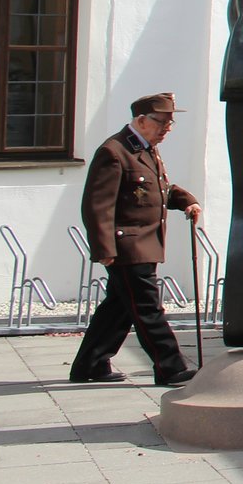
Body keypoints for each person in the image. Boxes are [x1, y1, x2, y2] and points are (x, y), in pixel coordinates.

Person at [69, 93, 203, 386]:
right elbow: (97, 205)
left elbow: (158, 189)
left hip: (143, 244)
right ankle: (170, 367)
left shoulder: (145, 149)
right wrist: (104, 248)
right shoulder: (114, 152)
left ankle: (90, 364)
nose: (167, 129)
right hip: (127, 247)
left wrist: (185, 200)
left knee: (118, 308)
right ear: (141, 121)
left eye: (170, 123)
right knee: (147, 309)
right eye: (162, 122)